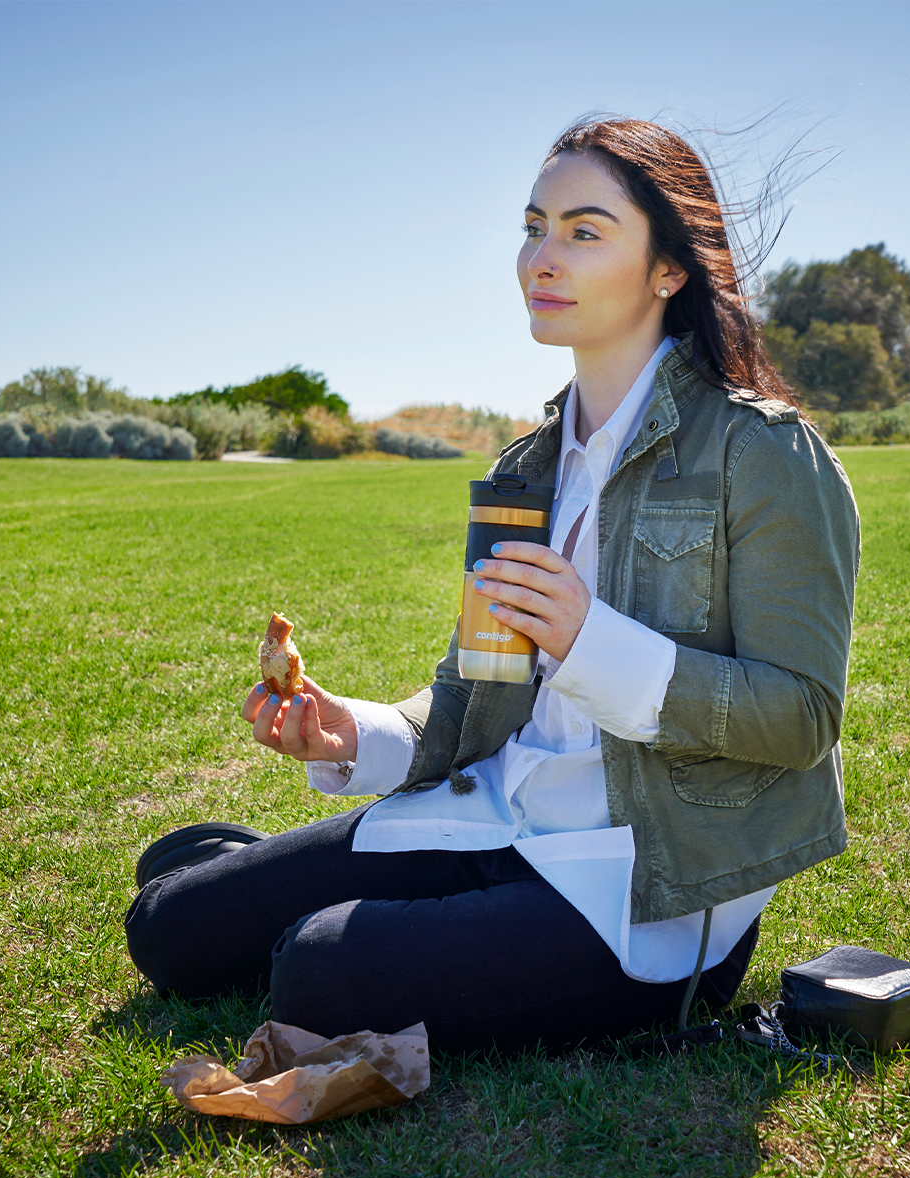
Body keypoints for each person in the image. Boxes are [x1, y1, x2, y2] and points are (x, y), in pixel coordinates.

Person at [125, 116, 860, 1055]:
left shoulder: (765, 456)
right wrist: (357, 731)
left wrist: (592, 641)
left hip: (643, 891)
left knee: (318, 968)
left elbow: (801, 716)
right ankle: (224, 881)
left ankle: (262, 890)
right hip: (493, 821)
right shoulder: (528, 468)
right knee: (172, 928)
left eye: (584, 232)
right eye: (533, 224)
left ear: (668, 270)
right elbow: (478, 690)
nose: (540, 258)